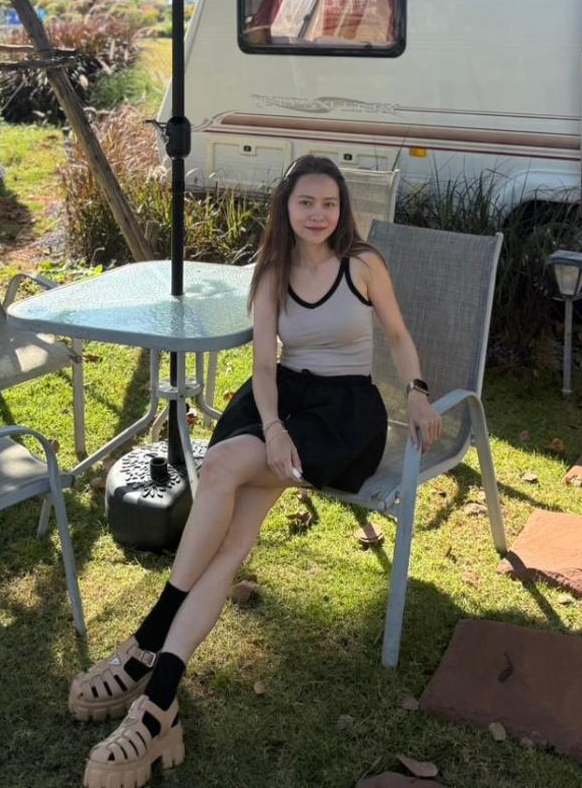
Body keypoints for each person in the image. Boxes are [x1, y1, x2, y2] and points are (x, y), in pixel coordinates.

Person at [71, 155, 443, 788]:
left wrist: (417, 392)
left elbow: (400, 336)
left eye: (329, 203)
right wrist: (271, 428)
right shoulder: (271, 271)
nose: (318, 214)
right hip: (282, 401)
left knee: (220, 464)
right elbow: (265, 365)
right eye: (306, 203)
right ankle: (160, 700)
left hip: (343, 417)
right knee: (232, 541)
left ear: (342, 209)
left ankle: (149, 639)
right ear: (286, 208)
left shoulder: (362, 264)